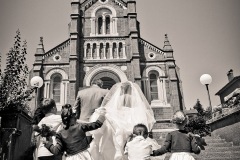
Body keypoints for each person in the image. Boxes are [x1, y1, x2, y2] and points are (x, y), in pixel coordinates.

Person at [90, 81, 156, 160]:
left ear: (120, 89)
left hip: (116, 127)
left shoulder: (117, 98)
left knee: (112, 148)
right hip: (132, 124)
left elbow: (111, 111)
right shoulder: (135, 99)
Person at [72, 79, 108, 159]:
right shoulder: (105, 92)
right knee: (97, 147)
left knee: (84, 148)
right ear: (101, 85)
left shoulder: (81, 93)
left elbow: (75, 109)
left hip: (83, 123)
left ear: (92, 84)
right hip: (98, 124)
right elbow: (107, 109)